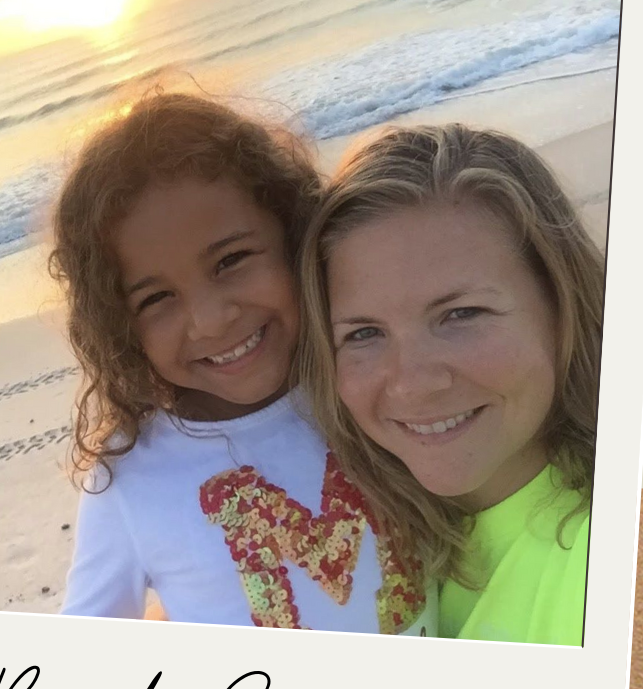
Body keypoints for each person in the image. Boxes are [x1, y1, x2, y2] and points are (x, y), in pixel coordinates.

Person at [53, 92, 432, 634]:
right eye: (156, 299)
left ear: (294, 233)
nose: (209, 320)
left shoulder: (361, 380)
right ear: (119, 325)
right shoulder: (130, 477)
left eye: (231, 260)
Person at [296, 124, 604, 646]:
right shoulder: (370, 544)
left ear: (561, 304)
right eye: (365, 333)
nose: (413, 384)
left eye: (461, 314)